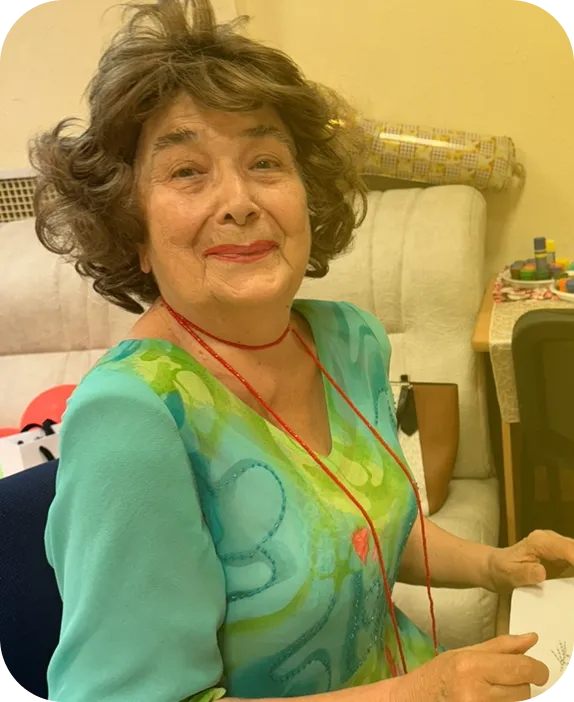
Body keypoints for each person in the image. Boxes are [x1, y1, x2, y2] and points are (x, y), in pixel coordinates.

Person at [30, 1, 571, 701]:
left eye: (265, 162)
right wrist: (427, 692)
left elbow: (364, 528)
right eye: (187, 171)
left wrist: (496, 565)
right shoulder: (133, 420)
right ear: (132, 227)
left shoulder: (350, 341)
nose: (239, 201)